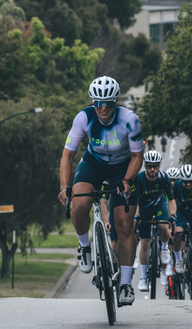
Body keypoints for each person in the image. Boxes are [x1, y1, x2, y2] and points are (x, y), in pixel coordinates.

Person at [58, 76, 144, 306]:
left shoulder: (130, 120)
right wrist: (64, 187)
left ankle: (126, 284)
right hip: (93, 164)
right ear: (92, 102)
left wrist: (127, 179)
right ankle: (85, 248)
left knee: (125, 224)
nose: (103, 107)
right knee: (79, 205)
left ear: (115, 101)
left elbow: (138, 157)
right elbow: (68, 155)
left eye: (107, 102)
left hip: (123, 168)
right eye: (98, 102)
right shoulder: (83, 118)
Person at [134, 150, 177, 291]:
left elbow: (171, 200)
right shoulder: (139, 179)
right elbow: (135, 202)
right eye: (150, 166)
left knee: (164, 227)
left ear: (159, 166)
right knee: (145, 244)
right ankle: (143, 278)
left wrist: (172, 215)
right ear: (145, 166)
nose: (152, 169)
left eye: (155, 166)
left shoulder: (164, 178)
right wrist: (137, 216)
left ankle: (164, 248)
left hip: (159, 206)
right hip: (144, 208)